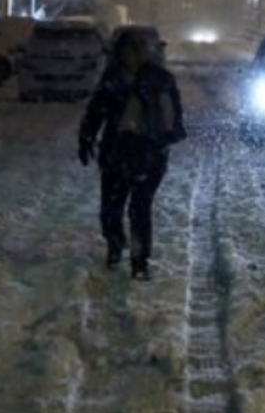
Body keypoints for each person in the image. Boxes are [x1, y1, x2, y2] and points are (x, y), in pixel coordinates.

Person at [79, 30, 186, 281]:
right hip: (136, 155)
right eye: (125, 51)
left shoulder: (119, 79)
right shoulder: (158, 79)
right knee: (119, 208)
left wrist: (88, 138)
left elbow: (96, 111)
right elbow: (96, 112)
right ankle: (122, 250)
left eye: (132, 50)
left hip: (132, 154)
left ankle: (135, 258)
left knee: (128, 208)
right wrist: (86, 138)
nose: (129, 56)